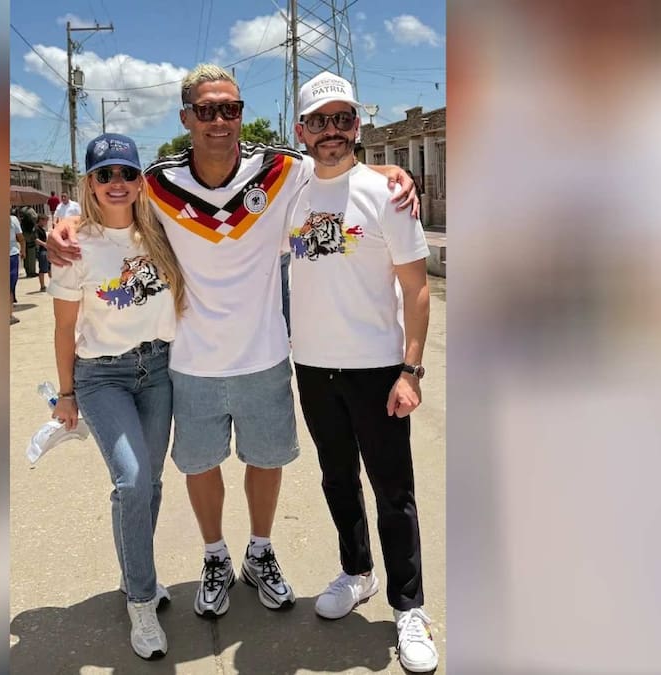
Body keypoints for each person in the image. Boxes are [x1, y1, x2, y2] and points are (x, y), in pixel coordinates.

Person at [48, 64, 418, 621]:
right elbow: (112, 203)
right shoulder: (159, 182)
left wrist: (392, 171)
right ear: (186, 117)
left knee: (266, 461)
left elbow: (338, 165)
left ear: (242, 114)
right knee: (201, 465)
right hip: (191, 361)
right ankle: (215, 555)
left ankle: (260, 551)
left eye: (230, 109)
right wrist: (67, 223)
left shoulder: (281, 169)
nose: (219, 120)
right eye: (206, 110)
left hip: (265, 356)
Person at [287, 72, 437, 672]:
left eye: (343, 119)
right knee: (337, 479)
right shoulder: (289, 192)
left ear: (358, 125)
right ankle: (357, 573)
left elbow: (417, 288)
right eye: (319, 121)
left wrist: (411, 370)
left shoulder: (386, 194)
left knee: (393, 490)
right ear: (301, 130)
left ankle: (409, 606)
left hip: (378, 367)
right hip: (313, 365)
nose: (331, 131)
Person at [47, 133, 187, 660]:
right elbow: (64, 329)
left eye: (127, 172)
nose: (117, 183)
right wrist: (65, 394)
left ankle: (135, 574)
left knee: (150, 484)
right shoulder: (74, 246)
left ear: (140, 180)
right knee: (131, 481)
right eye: (105, 174)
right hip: (102, 376)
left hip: (159, 369)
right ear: (89, 183)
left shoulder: (162, 231)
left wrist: (383, 173)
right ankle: (141, 600)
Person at [10, 214, 25, 323]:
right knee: (9, 287)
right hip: (11, 255)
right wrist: (23, 250)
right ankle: (9, 315)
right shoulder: (13, 219)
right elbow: (20, 237)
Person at [34, 214, 52, 292]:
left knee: (49, 268)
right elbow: (36, 239)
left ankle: (53, 284)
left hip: (46, 250)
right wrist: (44, 244)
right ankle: (42, 286)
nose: (46, 223)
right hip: (41, 251)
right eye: (45, 221)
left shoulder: (42, 229)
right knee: (42, 269)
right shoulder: (36, 229)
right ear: (41, 220)